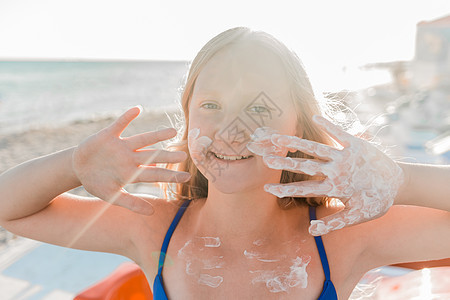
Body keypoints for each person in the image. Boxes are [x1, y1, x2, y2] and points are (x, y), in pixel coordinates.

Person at [0, 27, 449, 300]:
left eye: (258, 108)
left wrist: (400, 180)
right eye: (212, 104)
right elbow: (9, 208)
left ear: (298, 124)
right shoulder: (151, 227)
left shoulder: (340, 237)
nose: (230, 130)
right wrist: (75, 166)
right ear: (188, 115)